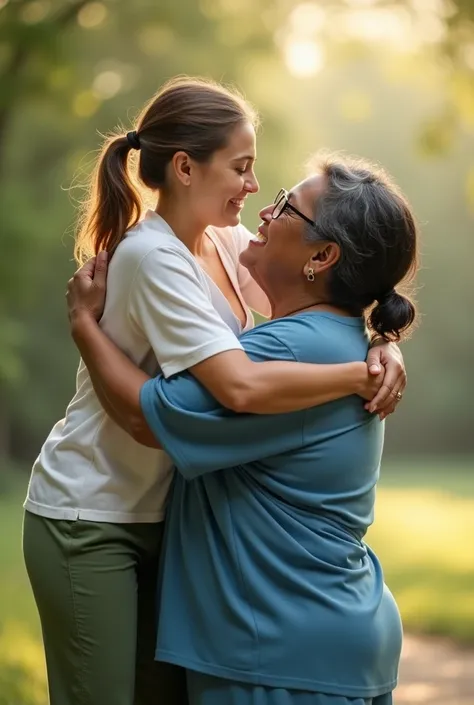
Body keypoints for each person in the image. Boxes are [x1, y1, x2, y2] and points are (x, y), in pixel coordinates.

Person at [24, 76, 405, 705]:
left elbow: (315, 306)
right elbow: (236, 382)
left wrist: (381, 340)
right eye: (243, 168)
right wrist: (82, 326)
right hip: (95, 508)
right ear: (184, 167)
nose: (257, 191)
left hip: (161, 509)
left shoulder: (225, 244)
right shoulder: (154, 256)